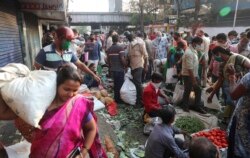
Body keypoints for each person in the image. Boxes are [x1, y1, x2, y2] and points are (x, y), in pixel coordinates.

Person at [30, 65, 107, 158]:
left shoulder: (79, 104)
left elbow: (91, 129)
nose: (71, 94)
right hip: (39, 153)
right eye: (66, 89)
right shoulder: (44, 104)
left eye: (75, 90)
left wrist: (84, 151)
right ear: (57, 85)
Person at [34, 26, 101, 83]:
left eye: (70, 41)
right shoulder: (45, 51)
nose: (68, 43)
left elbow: (80, 65)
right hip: (49, 86)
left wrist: (93, 75)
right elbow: (36, 69)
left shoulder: (69, 52)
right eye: (66, 40)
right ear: (58, 38)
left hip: (63, 85)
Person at [207, 46, 250, 123]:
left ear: (219, 53)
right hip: (229, 88)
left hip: (241, 88)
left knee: (239, 108)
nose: (215, 58)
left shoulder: (237, 58)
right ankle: (229, 121)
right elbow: (220, 80)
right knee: (229, 103)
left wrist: (238, 74)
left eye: (215, 56)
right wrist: (212, 94)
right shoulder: (222, 65)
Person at [226, 67, 250, 158]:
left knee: (237, 151)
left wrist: (232, 77)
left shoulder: (248, 78)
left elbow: (233, 95)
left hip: (243, 125)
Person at [181, 37, 206, 114]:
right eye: (199, 44)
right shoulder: (189, 52)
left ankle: (197, 106)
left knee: (198, 90)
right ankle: (185, 106)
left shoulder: (194, 50)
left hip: (195, 74)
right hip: (189, 75)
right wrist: (194, 80)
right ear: (195, 43)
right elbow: (189, 69)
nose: (200, 45)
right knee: (187, 90)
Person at [126, 33, 148, 106]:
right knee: (136, 83)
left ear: (133, 36)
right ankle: (139, 99)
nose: (129, 39)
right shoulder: (129, 44)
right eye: (128, 38)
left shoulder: (140, 43)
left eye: (130, 38)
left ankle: (140, 101)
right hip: (132, 66)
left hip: (139, 65)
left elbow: (145, 56)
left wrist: (146, 66)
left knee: (138, 83)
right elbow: (128, 56)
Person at [106, 34, 126, 103]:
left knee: (115, 84)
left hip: (113, 70)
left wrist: (110, 68)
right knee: (120, 84)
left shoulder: (109, 49)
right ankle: (119, 99)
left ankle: (116, 98)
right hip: (119, 69)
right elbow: (122, 59)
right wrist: (125, 65)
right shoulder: (120, 48)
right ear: (117, 39)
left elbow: (107, 60)